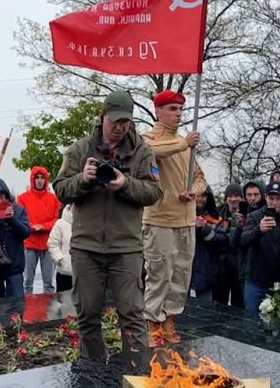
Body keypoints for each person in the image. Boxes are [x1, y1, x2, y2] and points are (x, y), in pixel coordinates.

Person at [53, 90, 162, 363]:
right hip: (86, 247)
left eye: (125, 122)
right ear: (102, 116)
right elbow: (61, 190)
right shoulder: (79, 150)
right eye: (115, 122)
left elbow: (154, 192)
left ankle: (136, 373)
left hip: (126, 247)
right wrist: (83, 179)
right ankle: (93, 375)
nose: (120, 128)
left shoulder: (142, 152)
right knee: (87, 315)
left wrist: (125, 184)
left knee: (133, 316)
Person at [141, 90, 207, 345]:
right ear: (158, 111)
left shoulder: (184, 144)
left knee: (180, 276)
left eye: (180, 110)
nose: (178, 114)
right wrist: (184, 143)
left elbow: (201, 178)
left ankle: (170, 321)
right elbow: (150, 151)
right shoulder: (148, 139)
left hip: (186, 220)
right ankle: (153, 325)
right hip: (160, 219)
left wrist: (194, 191)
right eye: (172, 109)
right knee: (159, 274)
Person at [241, 180, 280, 316]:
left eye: (278, 198)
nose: (274, 202)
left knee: (277, 328)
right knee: (252, 325)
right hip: (256, 282)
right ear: (266, 197)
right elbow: (243, 241)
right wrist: (259, 230)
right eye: (271, 198)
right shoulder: (255, 217)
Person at [0, 179, 30, 299]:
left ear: (7, 196)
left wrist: (11, 219)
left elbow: (26, 232)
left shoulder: (19, 210)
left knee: (17, 305)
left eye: (2, 196)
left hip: (14, 266)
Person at [17, 166, 61, 294]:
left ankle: (49, 312)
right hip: (30, 244)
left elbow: (57, 219)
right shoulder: (22, 198)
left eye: (42, 178)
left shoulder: (54, 199)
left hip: (48, 244)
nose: (40, 181)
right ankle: (27, 312)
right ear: (32, 179)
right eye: (37, 178)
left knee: (49, 283)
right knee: (27, 283)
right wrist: (31, 227)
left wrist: (44, 227)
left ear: (46, 180)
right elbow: (20, 218)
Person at [190, 186, 229, 304]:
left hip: (206, 275)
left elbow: (223, 242)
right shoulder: (180, 217)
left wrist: (204, 229)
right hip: (182, 275)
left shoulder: (215, 219)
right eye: (197, 195)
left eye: (203, 196)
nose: (199, 199)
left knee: (204, 314)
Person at [213, 183, 245, 307]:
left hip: (238, 260)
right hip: (222, 261)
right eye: (230, 196)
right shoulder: (218, 212)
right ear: (226, 198)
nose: (233, 199)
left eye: (237, 196)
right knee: (220, 300)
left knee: (238, 300)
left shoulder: (245, 213)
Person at [48, 204, 73, 292]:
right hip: (65, 272)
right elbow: (52, 243)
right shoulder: (60, 223)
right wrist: (60, 259)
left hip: (86, 274)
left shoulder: (90, 224)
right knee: (64, 302)